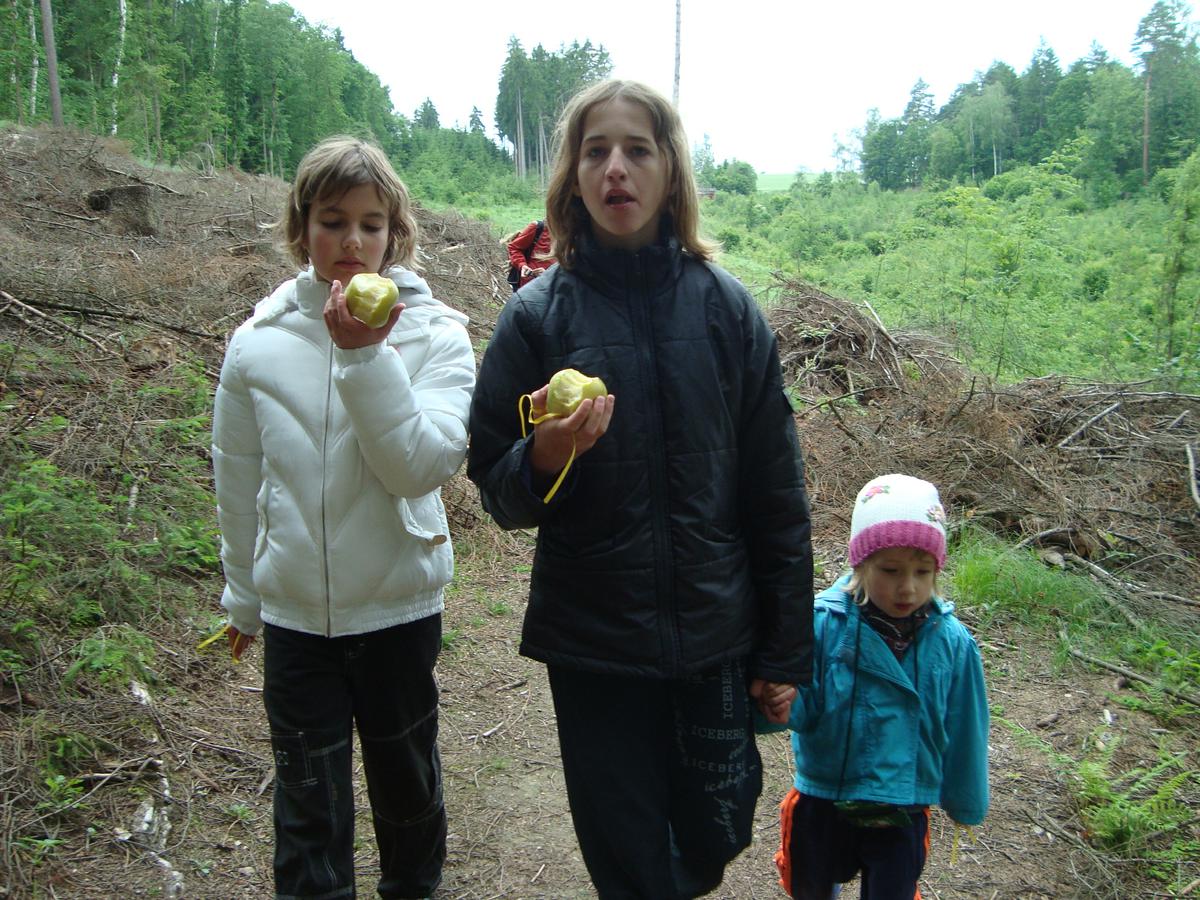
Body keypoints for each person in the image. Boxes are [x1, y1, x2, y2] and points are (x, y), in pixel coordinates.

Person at [466, 79, 814, 899]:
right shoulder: (537, 320)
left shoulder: (729, 314)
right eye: (596, 151)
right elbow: (495, 486)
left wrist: (783, 649)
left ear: (669, 173)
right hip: (594, 644)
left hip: (716, 633)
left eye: (637, 149)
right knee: (628, 860)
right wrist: (543, 456)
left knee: (714, 829)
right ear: (574, 178)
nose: (615, 167)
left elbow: (776, 497)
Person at [211, 135, 475, 899]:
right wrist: (244, 596)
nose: (352, 241)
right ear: (302, 229)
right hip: (297, 618)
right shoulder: (257, 343)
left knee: (406, 785)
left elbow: (418, 466)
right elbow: (238, 476)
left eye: (370, 223)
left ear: (395, 234)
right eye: (332, 221)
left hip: (396, 606)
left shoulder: (434, 335)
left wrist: (365, 357)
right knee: (307, 808)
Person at [770, 473, 989, 900]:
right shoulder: (822, 626)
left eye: (923, 572)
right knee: (809, 886)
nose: (907, 587)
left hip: (903, 804)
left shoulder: (953, 643)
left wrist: (966, 800)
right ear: (860, 564)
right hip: (825, 795)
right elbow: (804, 703)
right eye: (890, 570)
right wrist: (782, 702)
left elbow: (966, 728)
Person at [505, 218, 556, 291]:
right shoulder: (539, 227)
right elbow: (514, 247)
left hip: (555, 288)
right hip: (529, 286)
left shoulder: (572, 234)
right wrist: (522, 265)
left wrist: (548, 275)